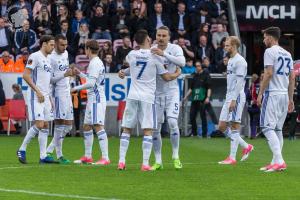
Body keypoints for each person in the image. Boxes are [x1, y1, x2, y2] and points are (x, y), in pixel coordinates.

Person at [117, 29, 181, 171]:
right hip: (148, 98)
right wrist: (177, 73)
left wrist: (122, 72)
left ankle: (121, 161)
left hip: (132, 96)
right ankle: (145, 163)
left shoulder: (131, 54)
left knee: (127, 129)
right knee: (148, 130)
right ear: (147, 40)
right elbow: (166, 77)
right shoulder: (154, 57)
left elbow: (129, 67)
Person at [17, 35, 72, 164]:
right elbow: (25, 75)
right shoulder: (35, 56)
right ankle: (22, 149)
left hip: (46, 96)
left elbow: (49, 81)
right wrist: (37, 91)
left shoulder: (48, 60)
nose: (53, 47)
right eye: (51, 45)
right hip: (36, 95)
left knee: (46, 125)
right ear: (44, 44)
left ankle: (43, 156)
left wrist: (50, 98)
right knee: (40, 124)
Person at [257, 27, 295, 172]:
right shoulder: (287, 53)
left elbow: (268, 73)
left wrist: (260, 93)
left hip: (272, 93)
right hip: (284, 94)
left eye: (265, 37)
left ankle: (279, 160)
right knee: (277, 129)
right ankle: (275, 162)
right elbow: (292, 77)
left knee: (266, 127)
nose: (264, 40)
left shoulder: (269, 51)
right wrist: (290, 98)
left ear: (271, 38)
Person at [150, 26, 186, 170]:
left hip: (172, 92)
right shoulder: (151, 50)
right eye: (159, 35)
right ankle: (158, 161)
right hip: (156, 94)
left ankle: (175, 156)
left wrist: (164, 54)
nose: (161, 38)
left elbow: (182, 63)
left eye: (164, 35)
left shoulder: (175, 49)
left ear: (169, 37)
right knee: (155, 128)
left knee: (172, 122)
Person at [72, 40, 110, 165]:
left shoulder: (95, 63)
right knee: (87, 126)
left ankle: (105, 157)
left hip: (96, 99)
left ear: (88, 49)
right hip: (92, 98)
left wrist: (76, 88)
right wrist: (81, 73)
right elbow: (91, 80)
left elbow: (91, 84)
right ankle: (88, 156)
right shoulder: (95, 62)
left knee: (98, 126)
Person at [218, 36, 254, 165]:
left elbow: (239, 83)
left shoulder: (240, 61)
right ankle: (246, 146)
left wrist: (234, 99)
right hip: (229, 96)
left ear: (233, 46)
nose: (225, 47)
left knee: (234, 124)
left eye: (227, 45)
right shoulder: (231, 59)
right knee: (221, 126)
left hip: (236, 96)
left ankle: (232, 157)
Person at [45, 35, 73, 164]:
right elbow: (50, 79)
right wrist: (64, 74)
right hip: (57, 93)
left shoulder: (65, 53)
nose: (64, 47)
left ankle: (49, 150)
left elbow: (65, 71)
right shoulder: (50, 58)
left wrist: (70, 74)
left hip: (67, 92)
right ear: (55, 44)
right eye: (62, 45)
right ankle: (59, 155)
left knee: (68, 126)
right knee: (60, 124)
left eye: (66, 44)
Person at [183, 61, 211, 138]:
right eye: (196, 66)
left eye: (198, 66)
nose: (197, 67)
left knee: (203, 117)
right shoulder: (194, 76)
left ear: (201, 67)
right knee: (192, 116)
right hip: (194, 99)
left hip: (203, 99)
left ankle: (204, 134)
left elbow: (209, 88)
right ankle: (194, 133)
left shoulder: (206, 75)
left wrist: (208, 97)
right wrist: (185, 97)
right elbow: (191, 88)